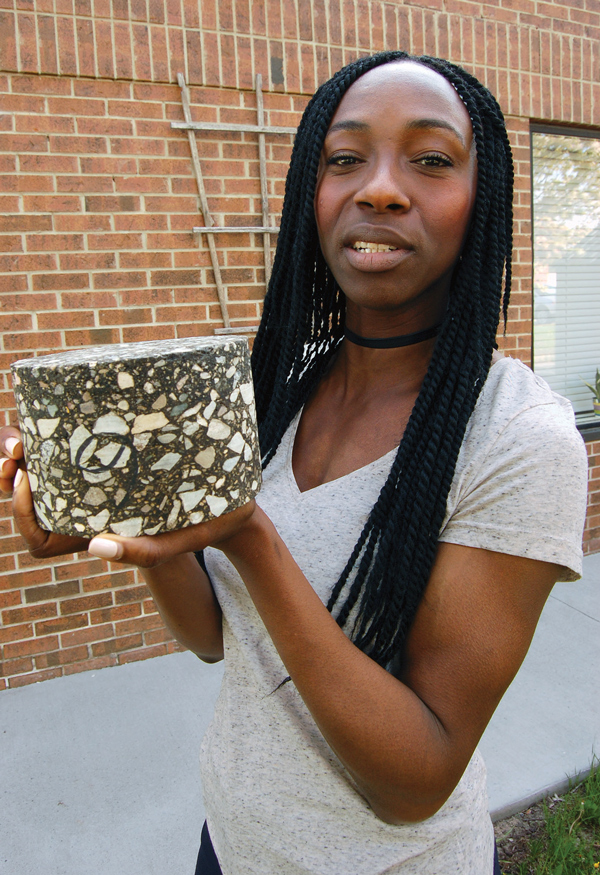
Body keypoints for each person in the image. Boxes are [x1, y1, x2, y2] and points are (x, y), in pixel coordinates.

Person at [0, 52, 589, 874]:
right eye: (344, 158)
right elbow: (215, 635)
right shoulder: (277, 386)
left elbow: (415, 780)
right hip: (233, 840)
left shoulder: (518, 437)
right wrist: (132, 520)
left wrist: (252, 538)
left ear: (479, 199)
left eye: (430, 159)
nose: (379, 188)